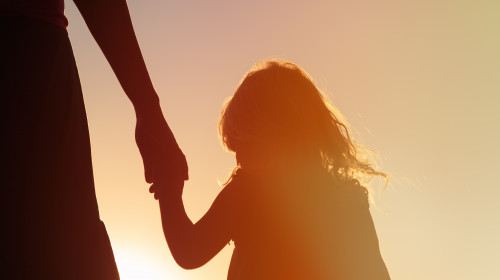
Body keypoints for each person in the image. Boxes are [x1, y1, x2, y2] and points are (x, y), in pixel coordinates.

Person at [151, 60, 391, 279]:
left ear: (273, 135)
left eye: (242, 143)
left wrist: (169, 187)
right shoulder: (345, 198)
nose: (238, 157)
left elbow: (189, 250)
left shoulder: (248, 192)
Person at [1, 0, 187, 279]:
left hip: (33, 59)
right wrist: (148, 108)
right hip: (31, 61)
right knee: (62, 243)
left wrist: (148, 109)